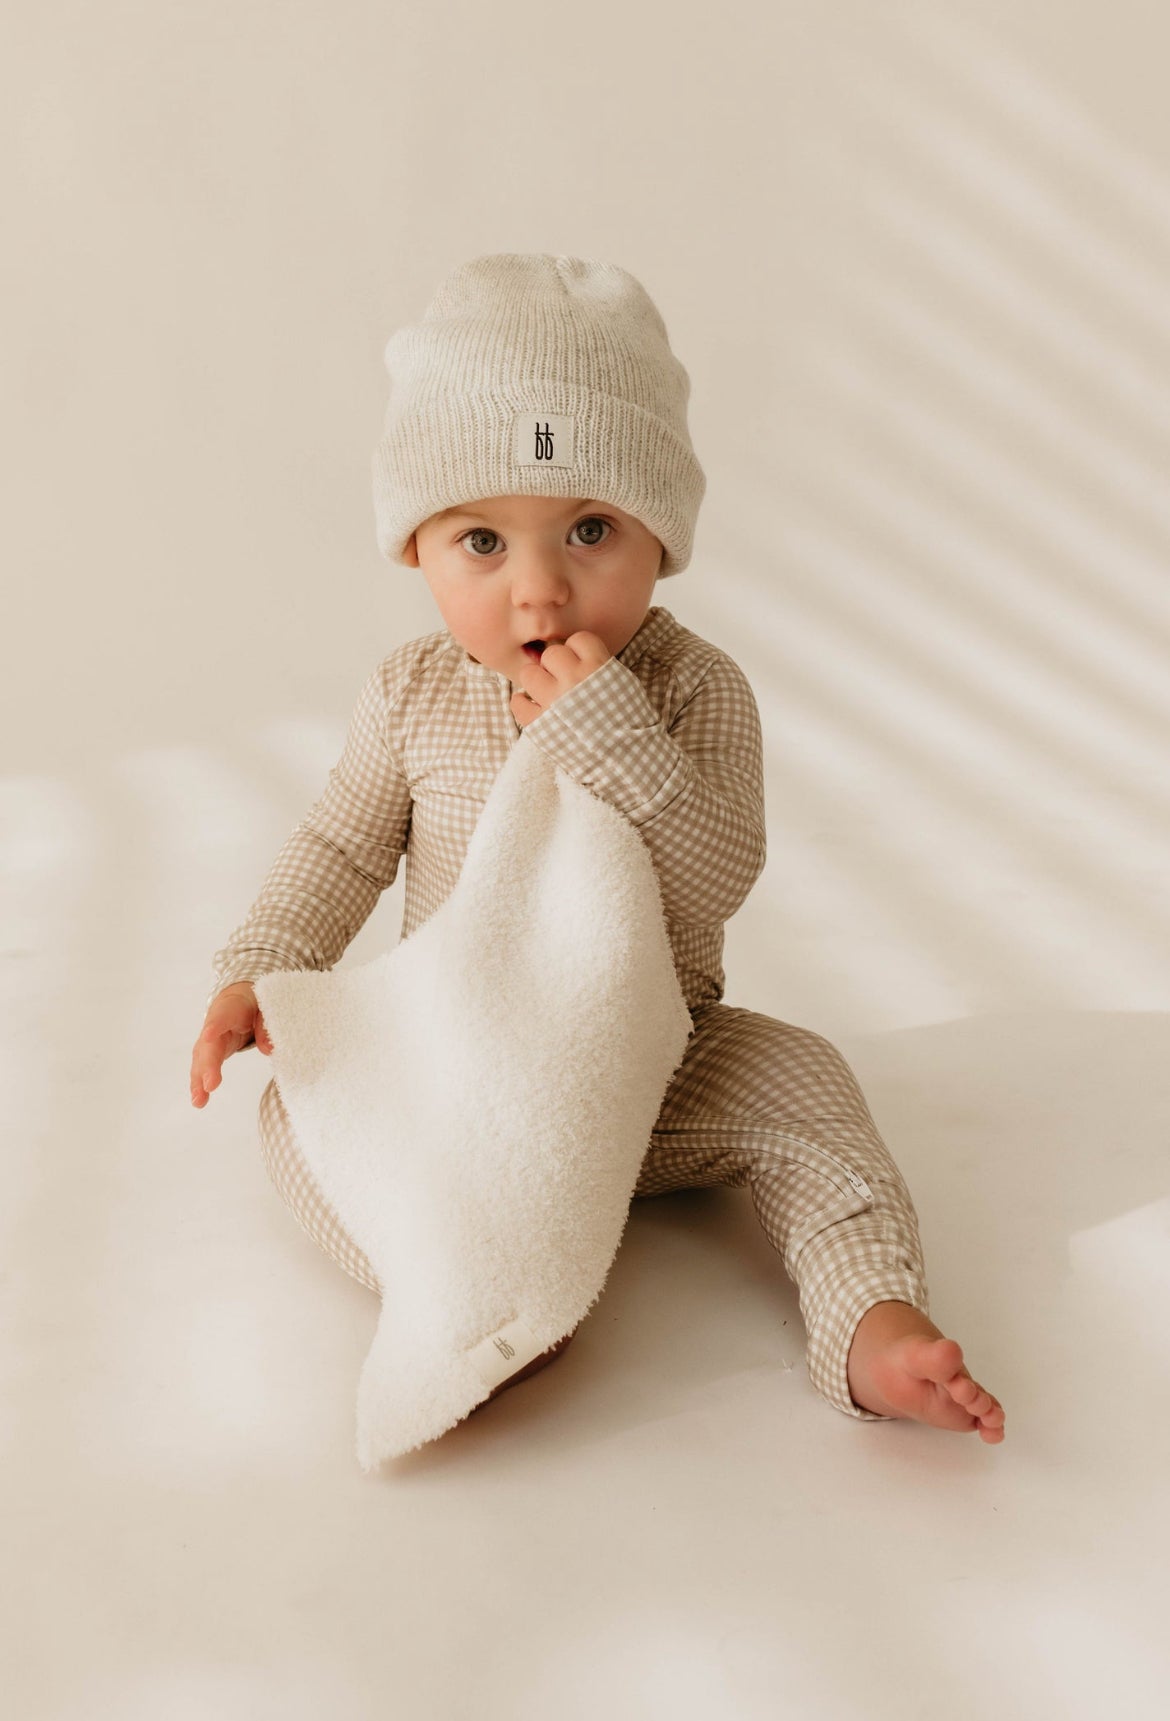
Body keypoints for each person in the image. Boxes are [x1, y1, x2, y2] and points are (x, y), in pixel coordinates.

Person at [189, 253, 1005, 1441]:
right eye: (480, 540)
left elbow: (719, 871)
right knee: (298, 1113)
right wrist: (256, 965)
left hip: (651, 1061)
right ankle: (469, 1286)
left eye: (588, 529)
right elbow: (340, 843)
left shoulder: (691, 690)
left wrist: (610, 732)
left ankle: (870, 1317)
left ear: (660, 537)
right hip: (454, 1065)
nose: (540, 591)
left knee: (812, 1089)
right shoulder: (413, 692)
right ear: (413, 545)